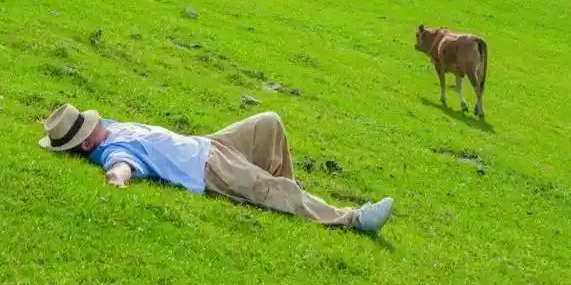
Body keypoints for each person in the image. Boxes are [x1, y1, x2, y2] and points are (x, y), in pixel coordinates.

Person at [39, 104, 394, 234]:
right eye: (88, 128)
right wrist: (116, 180)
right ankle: (353, 219)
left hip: (210, 143)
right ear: (87, 145)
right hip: (207, 168)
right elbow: (121, 167)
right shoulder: (110, 150)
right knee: (271, 187)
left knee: (269, 123)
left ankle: (288, 194)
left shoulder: (109, 129)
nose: (96, 123)